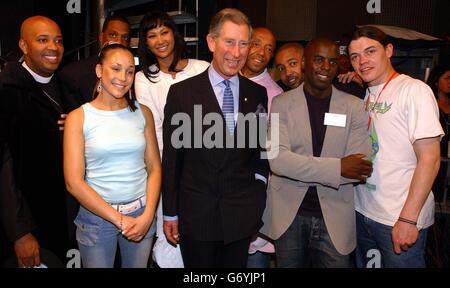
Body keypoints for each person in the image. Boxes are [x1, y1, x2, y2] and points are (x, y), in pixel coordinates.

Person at [162, 8, 269, 268]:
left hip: (240, 218)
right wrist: (170, 212)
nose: (236, 52)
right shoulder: (181, 93)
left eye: (244, 44)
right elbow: (173, 160)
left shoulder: (258, 94)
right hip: (196, 217)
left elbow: (262, 154)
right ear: (211, 42)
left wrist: (257, 196)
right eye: (229, 42)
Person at [261, 37, 372, 268]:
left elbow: (360, 168)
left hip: (335, 220)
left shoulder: (354, 106)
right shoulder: (281, 103)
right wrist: (338, 167)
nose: (325, 67)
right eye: (319, 60)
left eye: (332, 62)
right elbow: (278, 161)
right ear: (304, 63)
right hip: (289, 217)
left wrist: (299, 164)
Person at [349, 26, 443, 268]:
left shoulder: (414, 90)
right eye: (355, 56)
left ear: (388, 50)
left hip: (397, 219)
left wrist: (408, 219)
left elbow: (430, 159)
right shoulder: (367, 94)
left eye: (370, 51)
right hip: (363, 212)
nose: (362, 61)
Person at [63, 43, 161, 268]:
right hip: (97, 219)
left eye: (129, 71)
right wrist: (119, 219)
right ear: (99, 71)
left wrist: (147, 216)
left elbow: (154, 167)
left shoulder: (142, 112)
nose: (123, 77)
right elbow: (73, 182)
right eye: (115, 68)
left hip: (140, 214)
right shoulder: (79, 117)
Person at [0, 16, 83, 267]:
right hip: (29, 229)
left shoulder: (68, 88)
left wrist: (79, 126)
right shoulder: (7, 92)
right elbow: (3, 168)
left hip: (66, 222)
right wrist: (20, 232)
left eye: (58, 40)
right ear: (24, 46)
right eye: (42, 40)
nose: (53, 47)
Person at [134, 11, 209, 268]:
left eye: (164, 32)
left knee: (202, 230)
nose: (160, 40)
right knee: (169, 233)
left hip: (205, 164)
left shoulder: (203, 68)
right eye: (151, 35)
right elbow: (152, 128)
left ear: (174, 35)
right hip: (167, 165)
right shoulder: (143, 78)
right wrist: (165, 169)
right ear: (146, 42)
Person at [240, 26, 281, 268]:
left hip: (255, 192)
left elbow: (271, 153)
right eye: (256, 43)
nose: (261, 52)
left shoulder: (275, 94)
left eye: (269, 49)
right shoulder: (223, 78)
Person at [60, 15, 130, 102]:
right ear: (101, 37)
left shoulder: (133, 76)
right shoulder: (74, 73)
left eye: (125, 37)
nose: (119, 41)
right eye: (113, 35)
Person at [427, 66, 450, 202]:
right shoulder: (429, 104)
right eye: (447, 78)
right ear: (436, 81)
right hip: (434, 160)